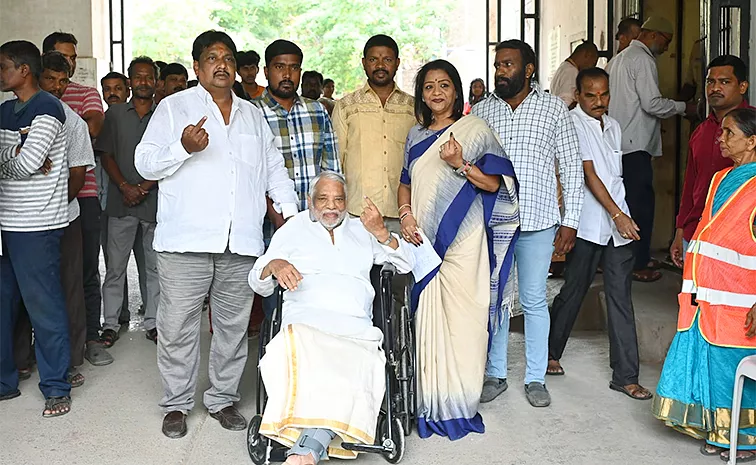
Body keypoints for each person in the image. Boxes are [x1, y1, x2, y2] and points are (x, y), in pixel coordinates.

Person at [135, 30, 299, 439]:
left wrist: (291, 217)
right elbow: (144, 163)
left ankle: (222, 399)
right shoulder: (174, 108)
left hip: (239, 243)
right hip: (185, 243)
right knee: (177, 328)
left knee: (232, 327)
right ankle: (176, 404)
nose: (222, 64)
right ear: (197, 66)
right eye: (212, 57)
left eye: (227, 57)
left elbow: (273, 169)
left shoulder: (252, 114)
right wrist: (182, 148)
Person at [249, 172, 414, 464]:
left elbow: (405, 265)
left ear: (346, 202)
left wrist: (382, 233)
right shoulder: (292, 230)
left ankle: (304, 450)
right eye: (323, 198)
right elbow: (257, 281)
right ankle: (312, 448)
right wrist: (274, 264)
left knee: (356, 359)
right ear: (311, 201)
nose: (331, 206)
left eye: (338, 199)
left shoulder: (363, 229)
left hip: (354, 329)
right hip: (304, 325)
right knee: (297, 352)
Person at [398, 60, 519, 439]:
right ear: (422, 94)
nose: (436, 92)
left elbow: (494, 185)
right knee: (427, 321)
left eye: (444, 85)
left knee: (466, 320)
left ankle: (460, 402)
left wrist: (459, 164)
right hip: (424, 241)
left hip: (465, 242)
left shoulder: (476, 130)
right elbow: (405, 183)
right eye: (429, 86)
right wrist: (405, 214)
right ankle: (431, 400)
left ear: (456, 91)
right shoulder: (416, 135)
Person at [473, 39, 583, 408]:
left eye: (507, 65)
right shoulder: (484, 111)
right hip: (496, 224)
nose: (500, 71)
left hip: (539, 223)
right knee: (497, 300)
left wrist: (571, 222)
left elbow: (570, 167)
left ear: (529, 69)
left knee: (535, 301)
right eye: (498, 65)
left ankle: (536, 378)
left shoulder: (554, 109)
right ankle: (496, 373)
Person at [652, 107, 756, 463]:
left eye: (729, 133)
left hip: (741, 301)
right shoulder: (719, 179)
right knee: (709, 366)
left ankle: (742, 440)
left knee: (731, 367)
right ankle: (717, 431)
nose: (721, 138)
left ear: (752, 142)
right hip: (705, 297)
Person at [546, 67, 651, 400]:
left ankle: (626, 375)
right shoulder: (572, 123)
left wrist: (622, 217)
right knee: (574, 290)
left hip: (619, 223)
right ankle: (549, 352)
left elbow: (613, 176)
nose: (598, 101)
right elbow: (589, 174)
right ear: (577, 95)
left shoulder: (614, 126)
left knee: (621, 297)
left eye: (604, 94)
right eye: (590, 95)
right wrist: (618, 215)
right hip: (591, 222)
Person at [12, 51, 98, 386]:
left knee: (67, 289)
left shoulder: (72, 120)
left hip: (63, 218)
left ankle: (71, 360)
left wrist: (51, 207)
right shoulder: (12, 114)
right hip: (19, 221)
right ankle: (21, 358)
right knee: (23, 291)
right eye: (51, 79)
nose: (58, 87)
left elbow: (77, 176)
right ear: (34, 75)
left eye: (64, 81)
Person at [0, 40, 72, 417]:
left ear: (23, 70)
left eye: (3, 66)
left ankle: (57, 387)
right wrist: (16, 153)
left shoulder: (47, 107)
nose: (0, 74)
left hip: (36, 224)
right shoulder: (6, 110)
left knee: (44, 308)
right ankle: (4, 382)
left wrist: (13, 156)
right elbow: (22, 160)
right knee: (3, 305)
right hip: (6, 224)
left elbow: (27, 164)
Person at [252, 39, 340, 322]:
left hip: (316, 225)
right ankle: (277, 361)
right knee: (277, 304)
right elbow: (249, 176)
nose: (287, 75)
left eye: (294, 68)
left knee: (315, 297)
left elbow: (331, 169)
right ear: (267, 72)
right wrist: (276, 215)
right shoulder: (251, 113)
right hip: (271, 225)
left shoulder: (316, 111)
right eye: (280, 67)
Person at [606, 17, 695, 282]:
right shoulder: (643, 59)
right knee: (641, 207)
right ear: (654, 35)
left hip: (617, 146)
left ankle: (629, 260)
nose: (667, 49)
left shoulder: (617, 60)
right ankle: (638, 263)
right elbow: (652, 104)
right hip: (636, 146)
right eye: (666, 42)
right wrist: (684, 108)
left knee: (626, 205)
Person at [333, 34, 416, 310]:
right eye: (373, 59)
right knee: (358, 292)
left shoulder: (414, 108)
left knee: (400, 295)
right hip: (358, 217)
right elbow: (336, 164)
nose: (380, 65)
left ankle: (397, 351)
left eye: (387, 59)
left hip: (402, 216)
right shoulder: (346, 107)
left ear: (397, 63)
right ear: (364, 64)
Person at [43, 31, 105, 363]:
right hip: (36, 200)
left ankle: (91, 338)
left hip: (84, 194)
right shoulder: (29, 98)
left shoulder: (85, 93)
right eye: (59, 56)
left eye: (71, 57)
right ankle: (49, 344)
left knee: (84, 270)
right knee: (47, 272)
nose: (67, 62)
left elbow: (92, 129)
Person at [96, 56, 161, 347]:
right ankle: (110, 324)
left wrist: (144, 188)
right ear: (129, 81)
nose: (144, 82)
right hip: (121, 203)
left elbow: (171, 159)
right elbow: (106, 155)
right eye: (138, 77)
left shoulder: (165, 114)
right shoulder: (115, 114)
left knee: (154, 268)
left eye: (149, 77)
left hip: (155, 203)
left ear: (156, 82)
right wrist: (124, 186)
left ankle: (153, 322)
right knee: (115, 268)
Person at [670, 55, 750, 267]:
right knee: (695, 298)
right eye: (710, 82)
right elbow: (690, 186)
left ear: (742, 86)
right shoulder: (701, 131)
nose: (715, 88)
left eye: (725, 82)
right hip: (696, 232)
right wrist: (680, 230)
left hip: (739, 236)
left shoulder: (752, 129)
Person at [549, 41, 598, 108]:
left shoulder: (563, 67)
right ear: (588, 55)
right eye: (593, 62)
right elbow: (567, 103)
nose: (592, 67)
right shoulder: (571, 71)